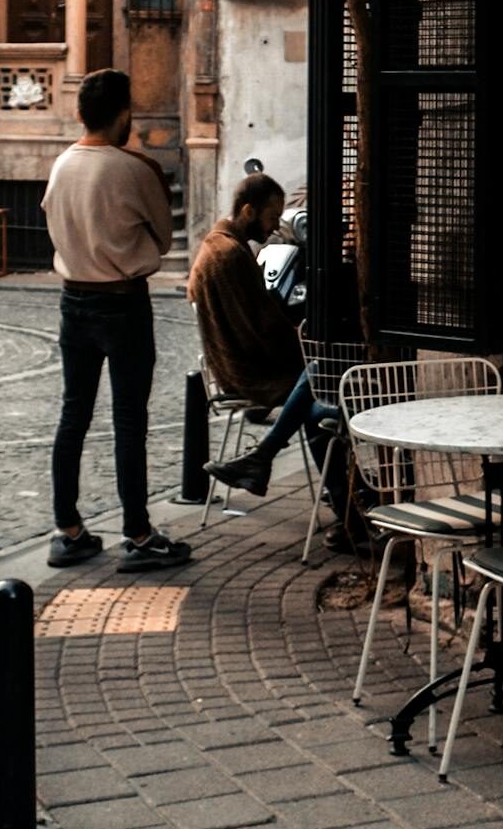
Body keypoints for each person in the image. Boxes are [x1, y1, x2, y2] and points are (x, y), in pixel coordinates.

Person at [41, 68, 190, 572]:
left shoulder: (61, 165)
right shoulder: (133, 170)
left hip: (73, 300)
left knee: (73, 414)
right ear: (125, 113)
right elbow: (165, 240)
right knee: (129, 421)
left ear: (81, 113)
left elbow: (53, 225)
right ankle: (139, 533)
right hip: (123, 302)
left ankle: (68, 528)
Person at [190, 173, 352, 536]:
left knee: (314, 406)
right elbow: (261, 328)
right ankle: (347, 507)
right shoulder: (231, 255)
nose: (275, 224)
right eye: (271, 215)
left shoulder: (219, 245)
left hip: (233, 361)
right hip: (245, 369)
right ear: (249, 211)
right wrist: (300, 336)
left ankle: (265, 461)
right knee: (321, 374)